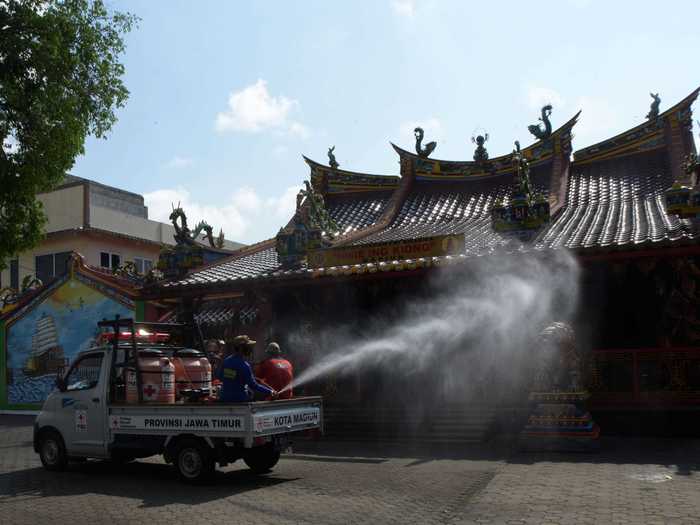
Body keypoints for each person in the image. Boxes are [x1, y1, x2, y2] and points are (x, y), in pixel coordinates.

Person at [217, 335, 277, 402]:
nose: (250, 349)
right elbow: (254, 385)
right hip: (240, 400)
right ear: (241, 348)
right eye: (248, 347)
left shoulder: (226, 361)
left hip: (224, 398)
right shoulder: (244, 365)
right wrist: (270, 392)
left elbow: (221, 377)